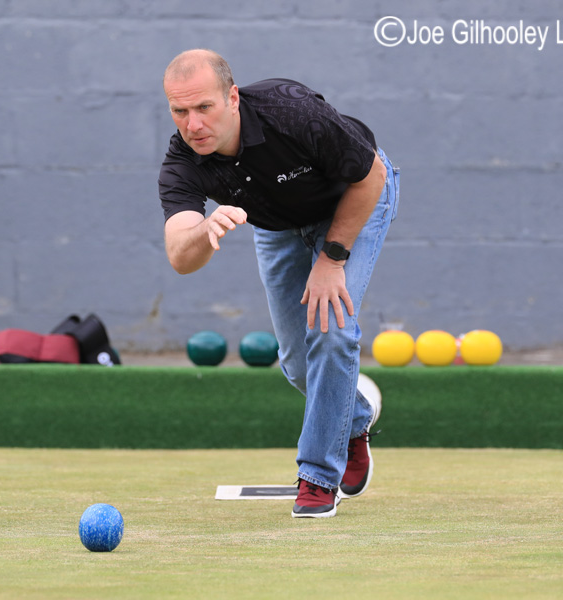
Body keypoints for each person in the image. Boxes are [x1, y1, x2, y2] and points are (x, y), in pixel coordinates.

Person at [158, 49, 399, 518]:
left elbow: (371, 176)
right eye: (179, 111)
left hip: (353, 202)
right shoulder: (182, 159)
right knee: (296, 363)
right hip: (277, 228)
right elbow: (179, 257)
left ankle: (316, 477)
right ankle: (353, 421)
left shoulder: (291, 111)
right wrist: (204, 233)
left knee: (330, 333)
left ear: (231, 98)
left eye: (203, 107)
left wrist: (331, 257)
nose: (193, 124)